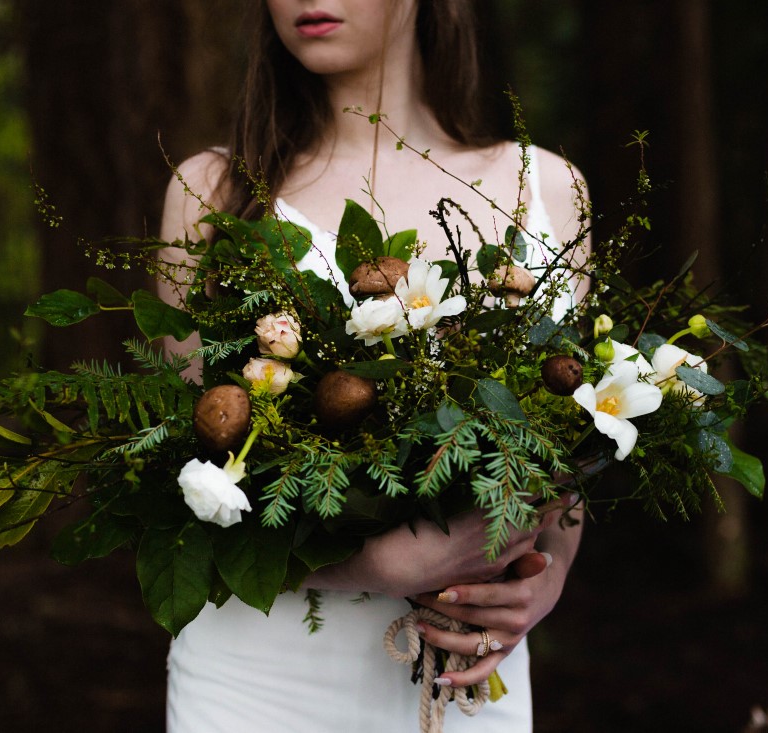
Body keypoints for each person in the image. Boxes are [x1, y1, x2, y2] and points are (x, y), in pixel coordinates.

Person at [159, 1, 590, 730]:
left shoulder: (540, 190)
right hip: (255, 682)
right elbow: (180, 487)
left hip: (460, 672)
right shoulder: (213, 193)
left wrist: (544, 583)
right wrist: (375, 565)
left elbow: (567, 450)